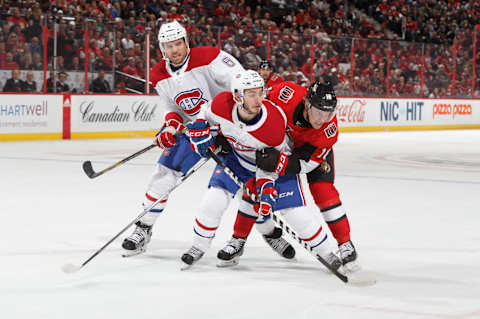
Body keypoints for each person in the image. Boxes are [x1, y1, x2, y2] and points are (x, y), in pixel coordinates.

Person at [121, 21, 294, 265]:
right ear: (162, 49)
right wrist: (170, 126)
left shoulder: (210, 57)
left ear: (186, 42)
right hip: (196, 132)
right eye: (169, 46)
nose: (175, 50)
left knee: (252, 186)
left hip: (230, 130)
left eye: (178, 43)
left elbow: (242, 83)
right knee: (164, 173)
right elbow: (173, 108)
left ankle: (269, 232)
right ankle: (143, 228)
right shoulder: (159, 74)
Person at [186, 70, 342, 270]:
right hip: (235, 159)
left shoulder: (274, 124)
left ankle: (326, 253)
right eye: (251, 94)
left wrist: (267, 183)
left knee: (293, 212)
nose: (258, 99)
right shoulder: (222, 104)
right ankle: (201, 246)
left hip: (266, 165)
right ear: (237, 96)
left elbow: (277, 163)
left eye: (260, 93)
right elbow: (206, 114)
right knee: (214, 200)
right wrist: (203, 129)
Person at [255, 81, 360, 272]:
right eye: (319, 112)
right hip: (282, 145)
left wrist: (279, 162)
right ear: (306, 103)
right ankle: (268, 232)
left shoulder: (328, 130)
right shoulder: (285, 93)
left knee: (323, 191)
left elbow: (304, 164)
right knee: (259, 191)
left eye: (328, 113)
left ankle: (345, 243)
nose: (323, 119)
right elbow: (257, 106)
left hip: (308, 154)